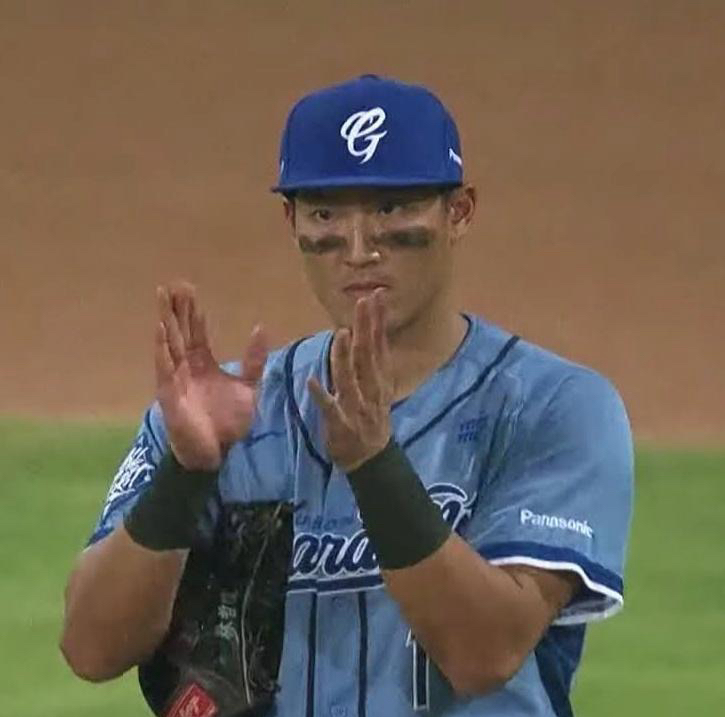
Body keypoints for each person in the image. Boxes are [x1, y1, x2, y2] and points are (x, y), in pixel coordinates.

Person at [60, 74, 634, 716]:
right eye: (327, 214)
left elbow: (485, 653)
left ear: (460, 212)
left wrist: (374, 466)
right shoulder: (223, 414)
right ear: (292, 221)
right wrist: (186, 475)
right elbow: (91, 649)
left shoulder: (552, 407)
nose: (359, 249)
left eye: (391, 209)